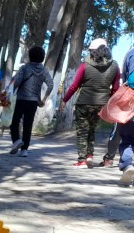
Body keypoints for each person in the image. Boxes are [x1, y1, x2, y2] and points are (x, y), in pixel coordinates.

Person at [62, 38, 120, 167]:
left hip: (83, 103)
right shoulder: (114, 66)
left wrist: (64, 100)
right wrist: (110, 104)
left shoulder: (84, 65)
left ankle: (82, 160)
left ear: (92, 51)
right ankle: (89, 155)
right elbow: (115, 89)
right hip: (101, 104)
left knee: (82, 131)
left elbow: (74, 86)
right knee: (92, 130)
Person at [8, 46, 53, 158]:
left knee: (15, 122)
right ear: (42, 57)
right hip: (34, 101)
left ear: (30, 55)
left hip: (21, 99)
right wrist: (44, 99)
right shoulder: (44, 70)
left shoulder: (25, 68)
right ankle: (24, 150)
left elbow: (17, 82)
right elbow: (51, 84)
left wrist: (10, 94)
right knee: (28, 125)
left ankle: (17, 141)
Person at [102, 44, 134, 166]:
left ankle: (115, 161)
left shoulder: (130, 53)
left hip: (130, 97)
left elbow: (127, 78)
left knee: (124, 133)